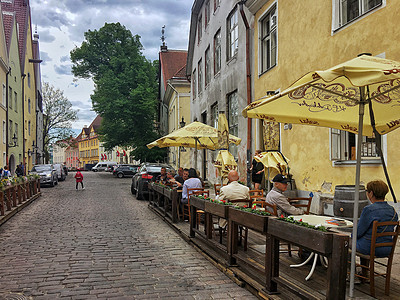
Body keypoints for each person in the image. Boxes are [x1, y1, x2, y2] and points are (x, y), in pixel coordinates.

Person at [356, 180, 398, 257]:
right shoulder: (393, 211)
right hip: (387, 249)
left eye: (367, 191)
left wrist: (352, 236)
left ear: (371, 193)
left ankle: (348, 268)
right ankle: (364, 269)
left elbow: (358, 232)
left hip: (369, 248)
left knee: (344, 241)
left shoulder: (368, 209)